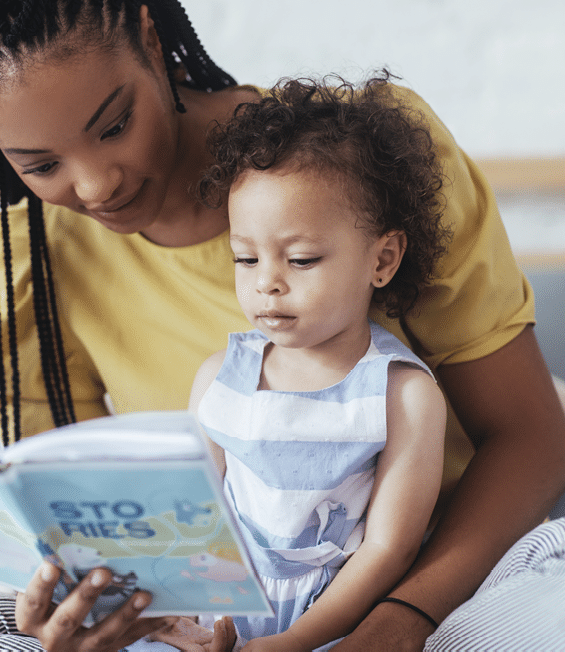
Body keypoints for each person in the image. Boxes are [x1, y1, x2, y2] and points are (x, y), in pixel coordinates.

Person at [0, 1, 565, 650]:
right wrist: (81, 613)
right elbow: (85, 535)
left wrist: (396, 623)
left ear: (149, 38)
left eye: (114, 124)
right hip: (213, 617)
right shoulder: (31, 266)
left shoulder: (364, 163)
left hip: (443, 589)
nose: (96, 186)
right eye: (39, 163)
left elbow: (529, 436)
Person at [142, 74, 450, 652]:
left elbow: (389, 548)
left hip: (338, 621)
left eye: (302, 259)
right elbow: (189, 522)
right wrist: (182, 625)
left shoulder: (401, 395)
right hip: (217, 615)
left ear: (382, 259)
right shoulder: (218, 379)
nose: (267, 284)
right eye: (246, 257)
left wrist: (296, 642)